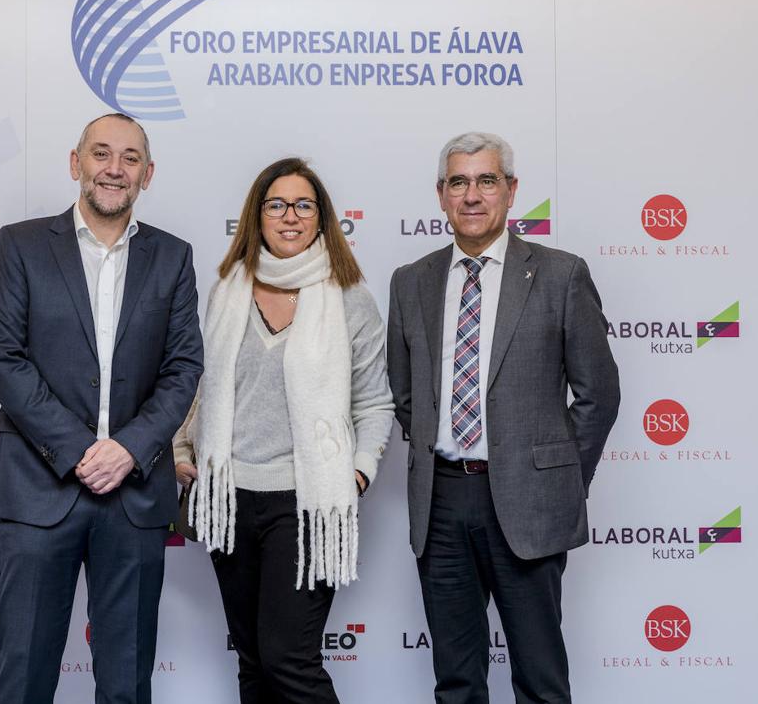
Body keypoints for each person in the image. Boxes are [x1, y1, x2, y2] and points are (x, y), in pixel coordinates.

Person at [387, 132, 620, 704]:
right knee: (457, 681)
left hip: (529, 502)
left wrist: (557, 477)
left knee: (540, 679)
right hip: (440, 503)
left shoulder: (561, 275)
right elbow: (406, 393)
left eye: (486, 180)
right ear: (440, 195)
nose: (472, 195)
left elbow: (599, 394)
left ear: (511, 191)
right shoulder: (410, 280)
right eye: (459, 182)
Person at [0, 113, 203, 704]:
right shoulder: (22, 246)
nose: (114, 168)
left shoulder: (173, 257)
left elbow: (183, 369)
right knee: (24, 673)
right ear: (75, 163)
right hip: (37, 489)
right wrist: (82, 451)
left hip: (133, 499)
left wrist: (129, 449)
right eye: (101, 154)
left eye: (130, 158)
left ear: (147, 174)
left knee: (126, 680)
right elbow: (4, 359)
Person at [173, 157, 393, 704]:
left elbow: (374, 402)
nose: (289, 216)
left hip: (307, 504)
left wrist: (358, 475)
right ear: (257, 215)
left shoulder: (349, 299)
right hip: (229, 500)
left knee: (288, 660)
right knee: (252, 662)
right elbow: (198, 384)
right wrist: (181, 449)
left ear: (322, 218)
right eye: (276, 204)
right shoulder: (226, 292)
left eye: (303, 205)